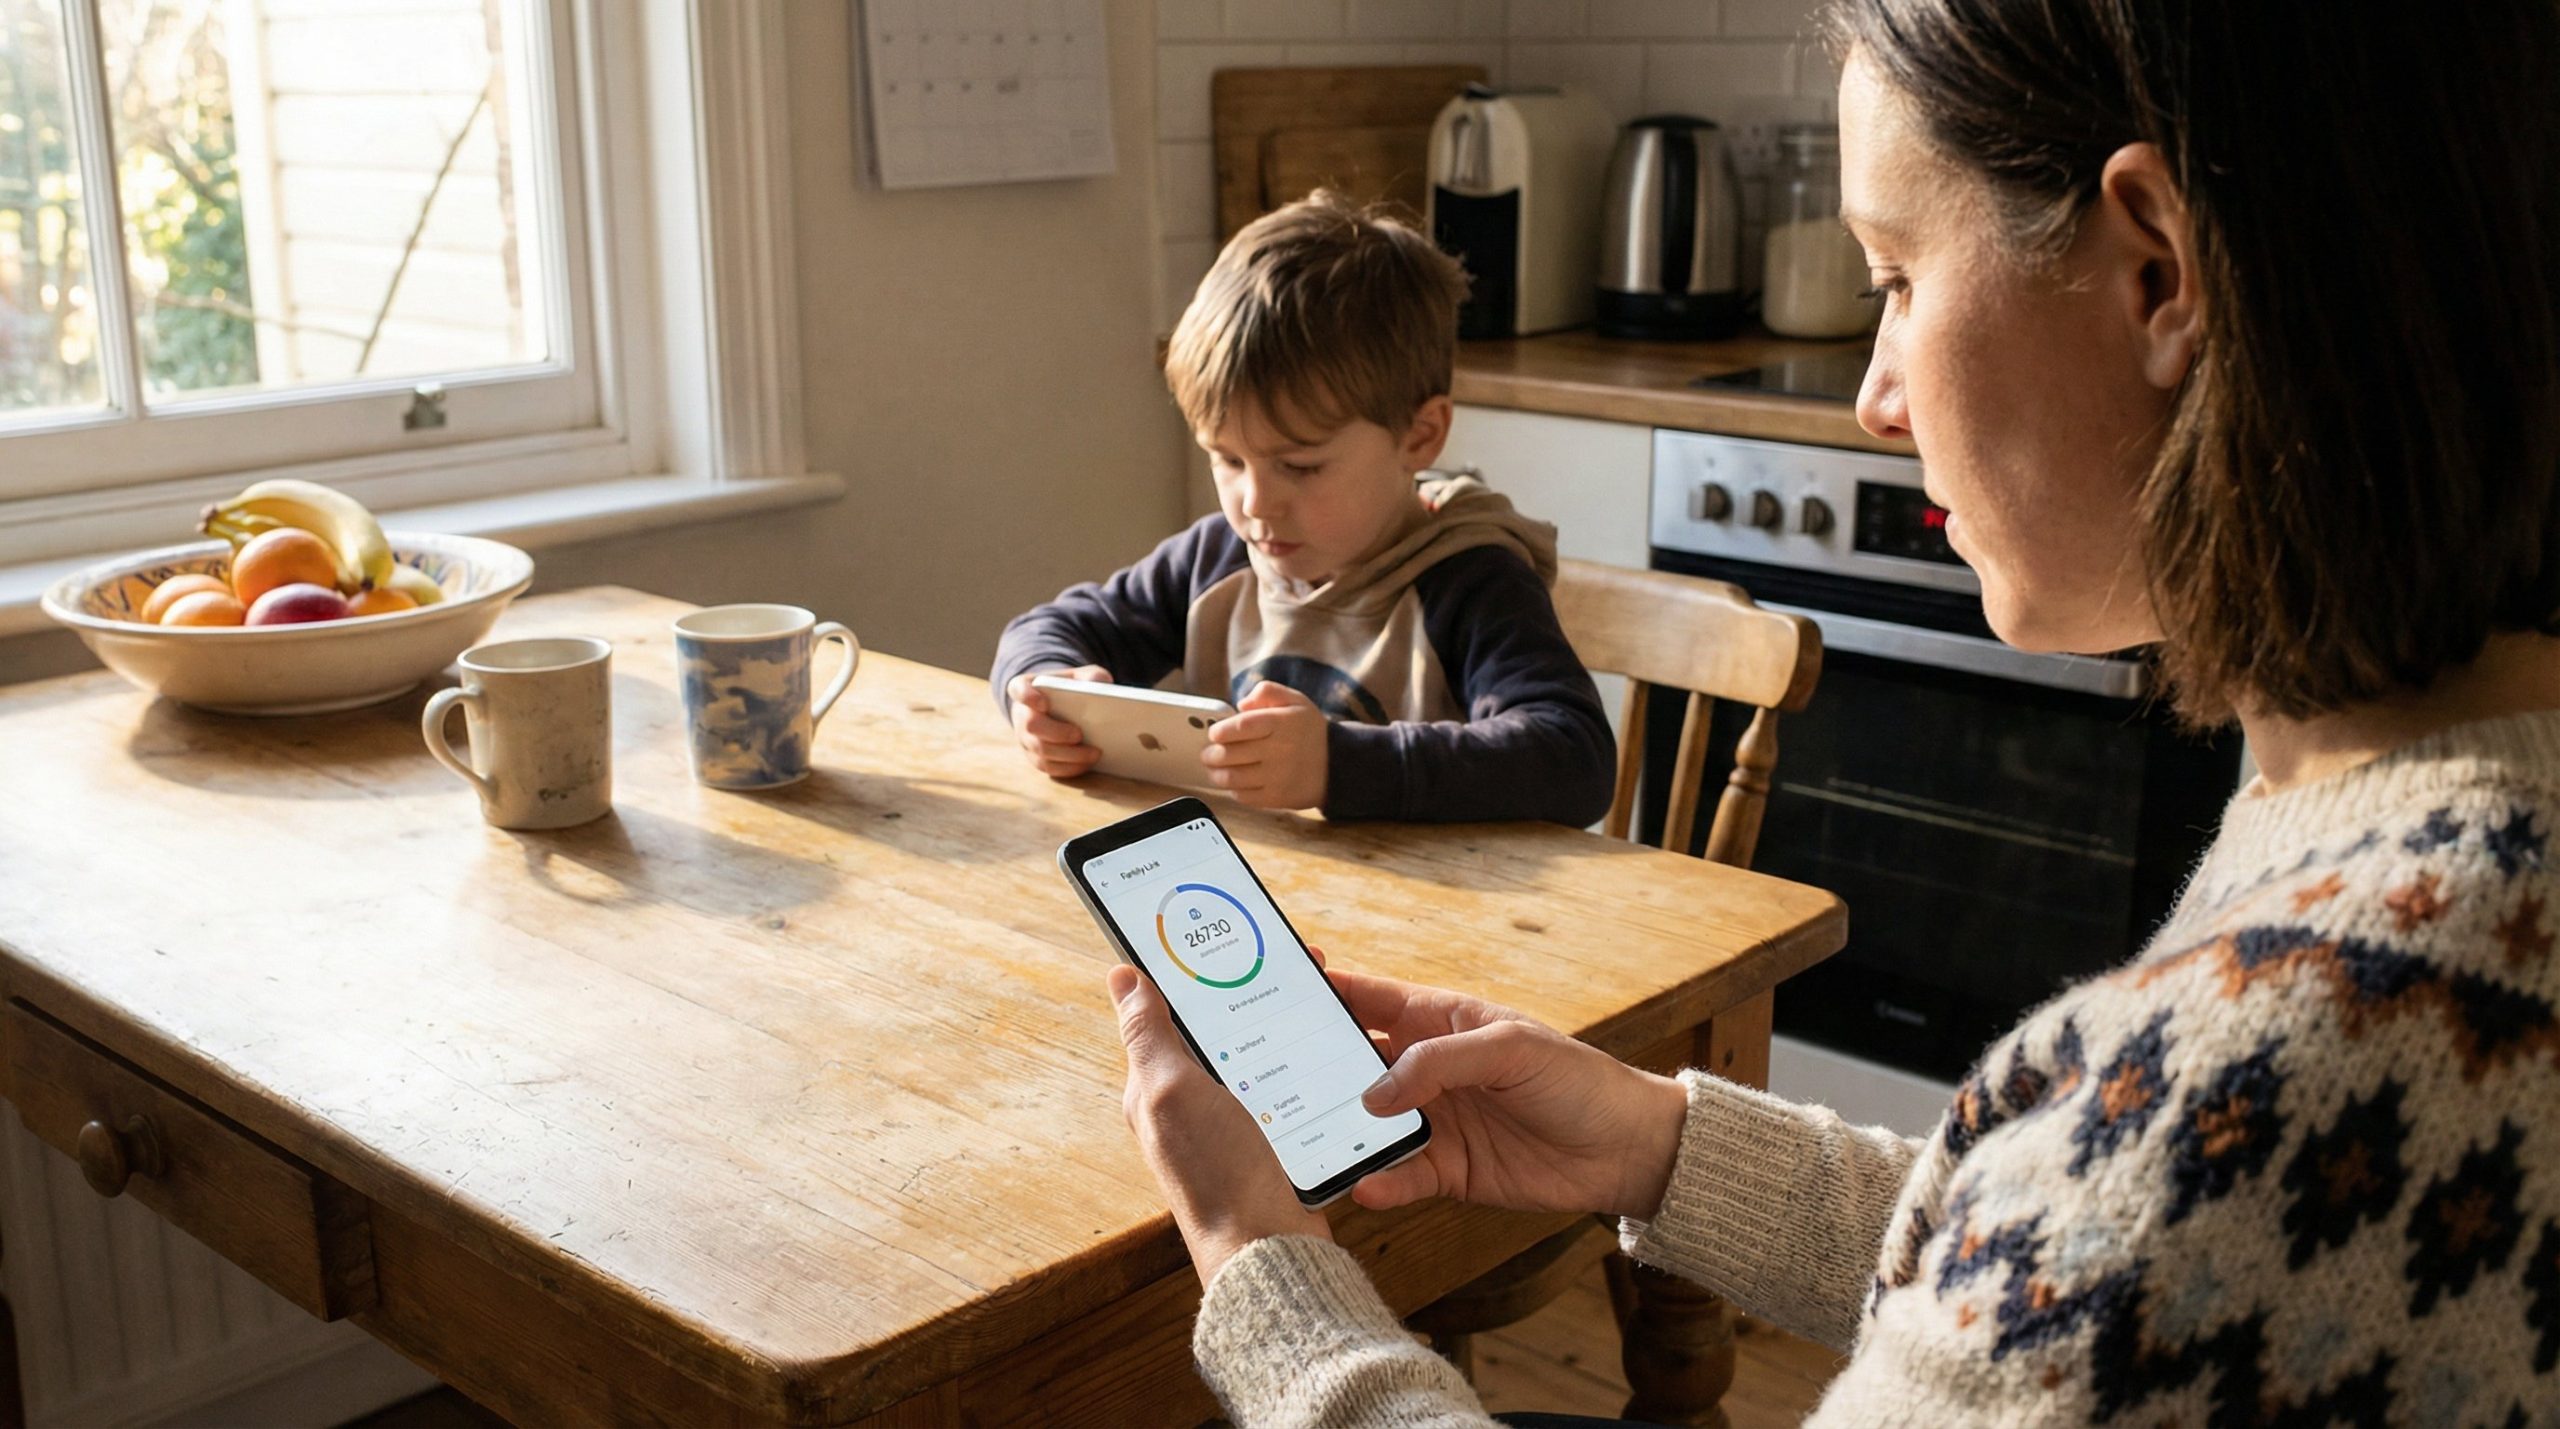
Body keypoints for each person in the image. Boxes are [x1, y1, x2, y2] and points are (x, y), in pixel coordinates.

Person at [1104, 1, 2560, 1423]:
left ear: (2160, 275)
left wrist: (1272, 1274)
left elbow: (2145, 1221)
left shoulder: (2293, 1044)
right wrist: (1660, 1147)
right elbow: (2102, 1281)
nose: (1874, 393)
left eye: (1897, 277)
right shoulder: (2452, 833)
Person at [991, 192, 1613, 826]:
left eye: (1300, 466)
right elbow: (1051, 628)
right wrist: (1045, 693)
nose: (1256, 503)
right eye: (1228, 460)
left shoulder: (1471, 581)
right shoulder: (1219, 557)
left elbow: (1574, 760)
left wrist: (1336, 765)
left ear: (1420, 436)